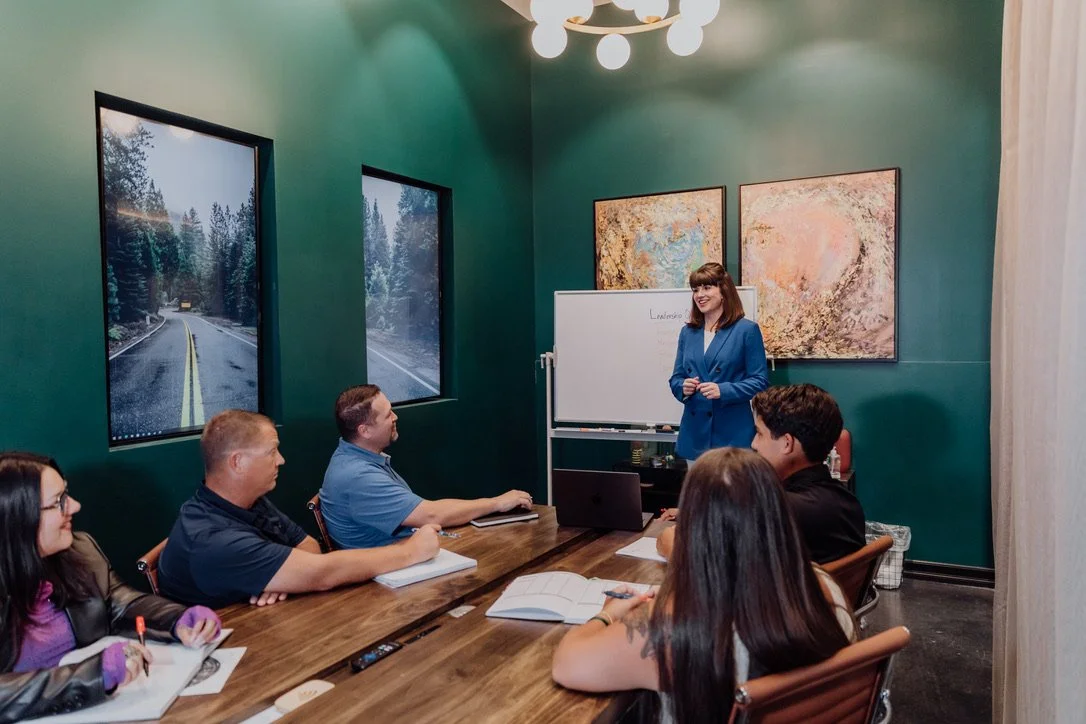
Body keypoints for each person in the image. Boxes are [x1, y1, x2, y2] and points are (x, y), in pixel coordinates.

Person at [551, 448, 854, 723]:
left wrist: (609, 614)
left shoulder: (672, 630)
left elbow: (568, 664)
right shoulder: (827, 587)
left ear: (693, 528)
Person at [0, 452, 221, 723]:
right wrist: (90, 676)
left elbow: (118, 604)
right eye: (59, 502)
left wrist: (178, 619)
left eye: (66, 494)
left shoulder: (79, 550)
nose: (75, 506)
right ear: (16, 517)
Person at [157, 410, 440, 608]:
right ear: (237, 462)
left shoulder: (245, 500)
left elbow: (309, 547)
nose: (281, 460)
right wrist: (411, 551)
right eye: (272, 451)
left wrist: (283, 577)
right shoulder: (212, 541)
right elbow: (322, 574)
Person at [320, 385, 533, 549]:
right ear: (365, 431)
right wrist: (497, 503)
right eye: (388, 414)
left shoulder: (352, 457)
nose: (395, 417)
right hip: (391, 572)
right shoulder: (358, 476)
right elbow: (431, 515)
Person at [751, 384, 865, 564]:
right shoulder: (849, 503)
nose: (754, 444)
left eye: (759, 433)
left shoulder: (779, 513)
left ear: (787, 443)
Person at [668, 262, 768, 461]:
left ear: (724, 291)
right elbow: (676, 378)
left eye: (707, 287)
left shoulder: (746, 330)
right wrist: (683, 387)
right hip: (694, 436)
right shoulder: (688, 332)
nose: (700, 295)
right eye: (695, 290)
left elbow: (760, 381)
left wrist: (723, 390)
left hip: (732, 435)